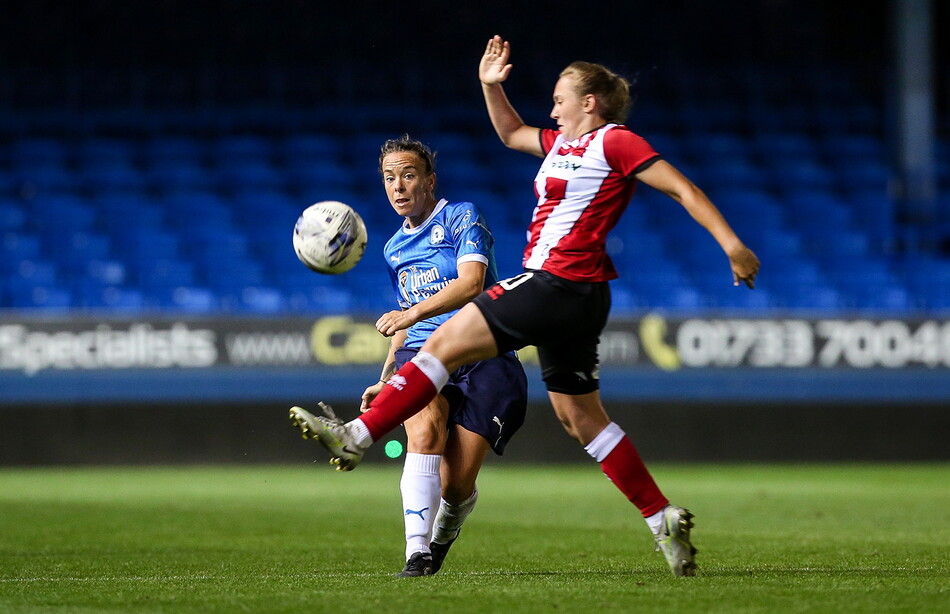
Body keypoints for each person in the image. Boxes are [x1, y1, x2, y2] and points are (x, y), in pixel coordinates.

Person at [295, 36, 760, 577]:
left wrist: (732, 244)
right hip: (583, 295)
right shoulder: (561, 145)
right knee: (580, 418)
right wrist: (491, 85)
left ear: (590, 102)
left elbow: (682, 188)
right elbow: (511, 132)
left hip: (556, 279)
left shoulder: (615, 141)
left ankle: (357, 435)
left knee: (441, 343)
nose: (553, 109)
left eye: (561, 99)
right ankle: (662, 518)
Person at [290, 135, 527, 577]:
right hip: (423, 351)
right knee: (425, 432)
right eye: (389, 178)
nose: (398, 186)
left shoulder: (461, 216)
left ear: (429, 181)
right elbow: (404, 323)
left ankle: (442, 534)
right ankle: (416, 552)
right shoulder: (393, 248)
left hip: (483, 351)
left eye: (408, 175)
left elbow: (472, 283)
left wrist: (411, 312)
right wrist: (387, 378)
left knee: (456, 486)